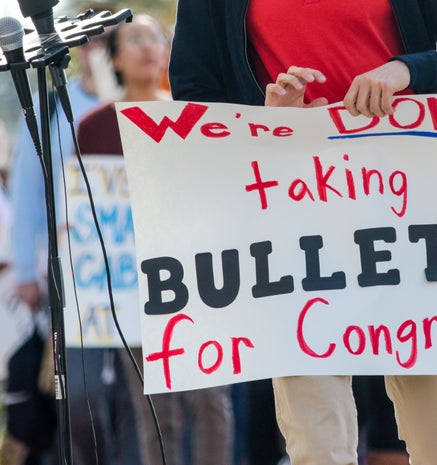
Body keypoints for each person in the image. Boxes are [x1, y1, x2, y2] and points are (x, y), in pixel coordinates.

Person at [169, 2, 437, 465]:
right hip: (290, 229)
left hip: (409, 224)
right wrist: (266, 118)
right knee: (317, 447)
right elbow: (195, 97)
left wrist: (406, 71)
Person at [75, 15, 235, 465]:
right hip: (133, 288)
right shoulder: (93, 128)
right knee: (155, 409)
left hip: (199, 281)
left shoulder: (195, 117)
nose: (148, 47)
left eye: (155, 38)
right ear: (116, 59)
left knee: (210, 401)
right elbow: (87, 207)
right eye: (135, 39)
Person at [8, 4, 140, 464]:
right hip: (76, 274)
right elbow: (28, 193)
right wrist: (27, 269)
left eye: (102, 37)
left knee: (136, 398)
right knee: (81, 396)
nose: (93, 47)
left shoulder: (149, 104)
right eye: (85, 37)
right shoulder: (50, 110)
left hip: (137, 273)